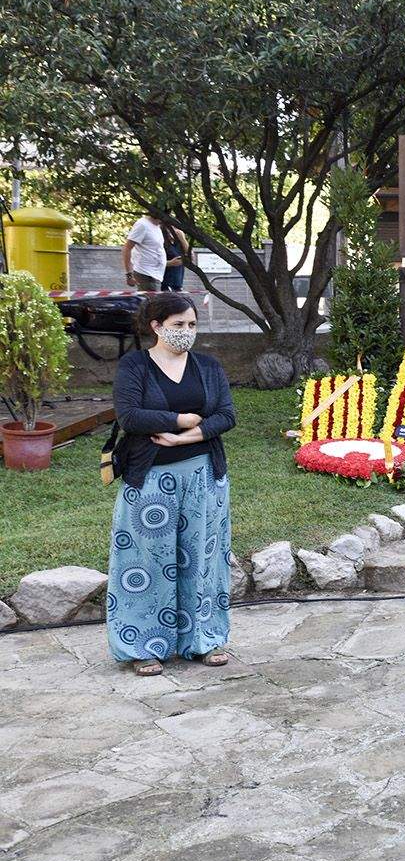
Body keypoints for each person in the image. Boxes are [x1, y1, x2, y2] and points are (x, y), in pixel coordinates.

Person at [108, 293, 237, 675]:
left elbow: (227, 415)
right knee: (146, 562)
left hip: (203, 476)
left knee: (202, 561)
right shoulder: (134, 366)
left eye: (192, 325)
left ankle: (204, 639)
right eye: (178, 325)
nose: (186, 332)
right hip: (150, 478)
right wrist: (179, 419)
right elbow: (129, 416)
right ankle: (143, 645)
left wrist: (189, 438)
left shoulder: (208, 367)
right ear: (156, 326)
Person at [123, 211, 167, 293]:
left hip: (156, 275)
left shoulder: (157, 226)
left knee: (153, 304)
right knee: (151, 304)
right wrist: (129, 275)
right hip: (145, 274)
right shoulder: (142, 225)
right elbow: (127, 248)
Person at [160, 223, 189, 293]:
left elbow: (191, 257)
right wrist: (170, 263)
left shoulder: (179, 243)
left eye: (176, 228)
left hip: (178, 283)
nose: (175, 231)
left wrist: (183, 239)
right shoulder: (161, 243)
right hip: (166, 283)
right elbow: (154, 262)